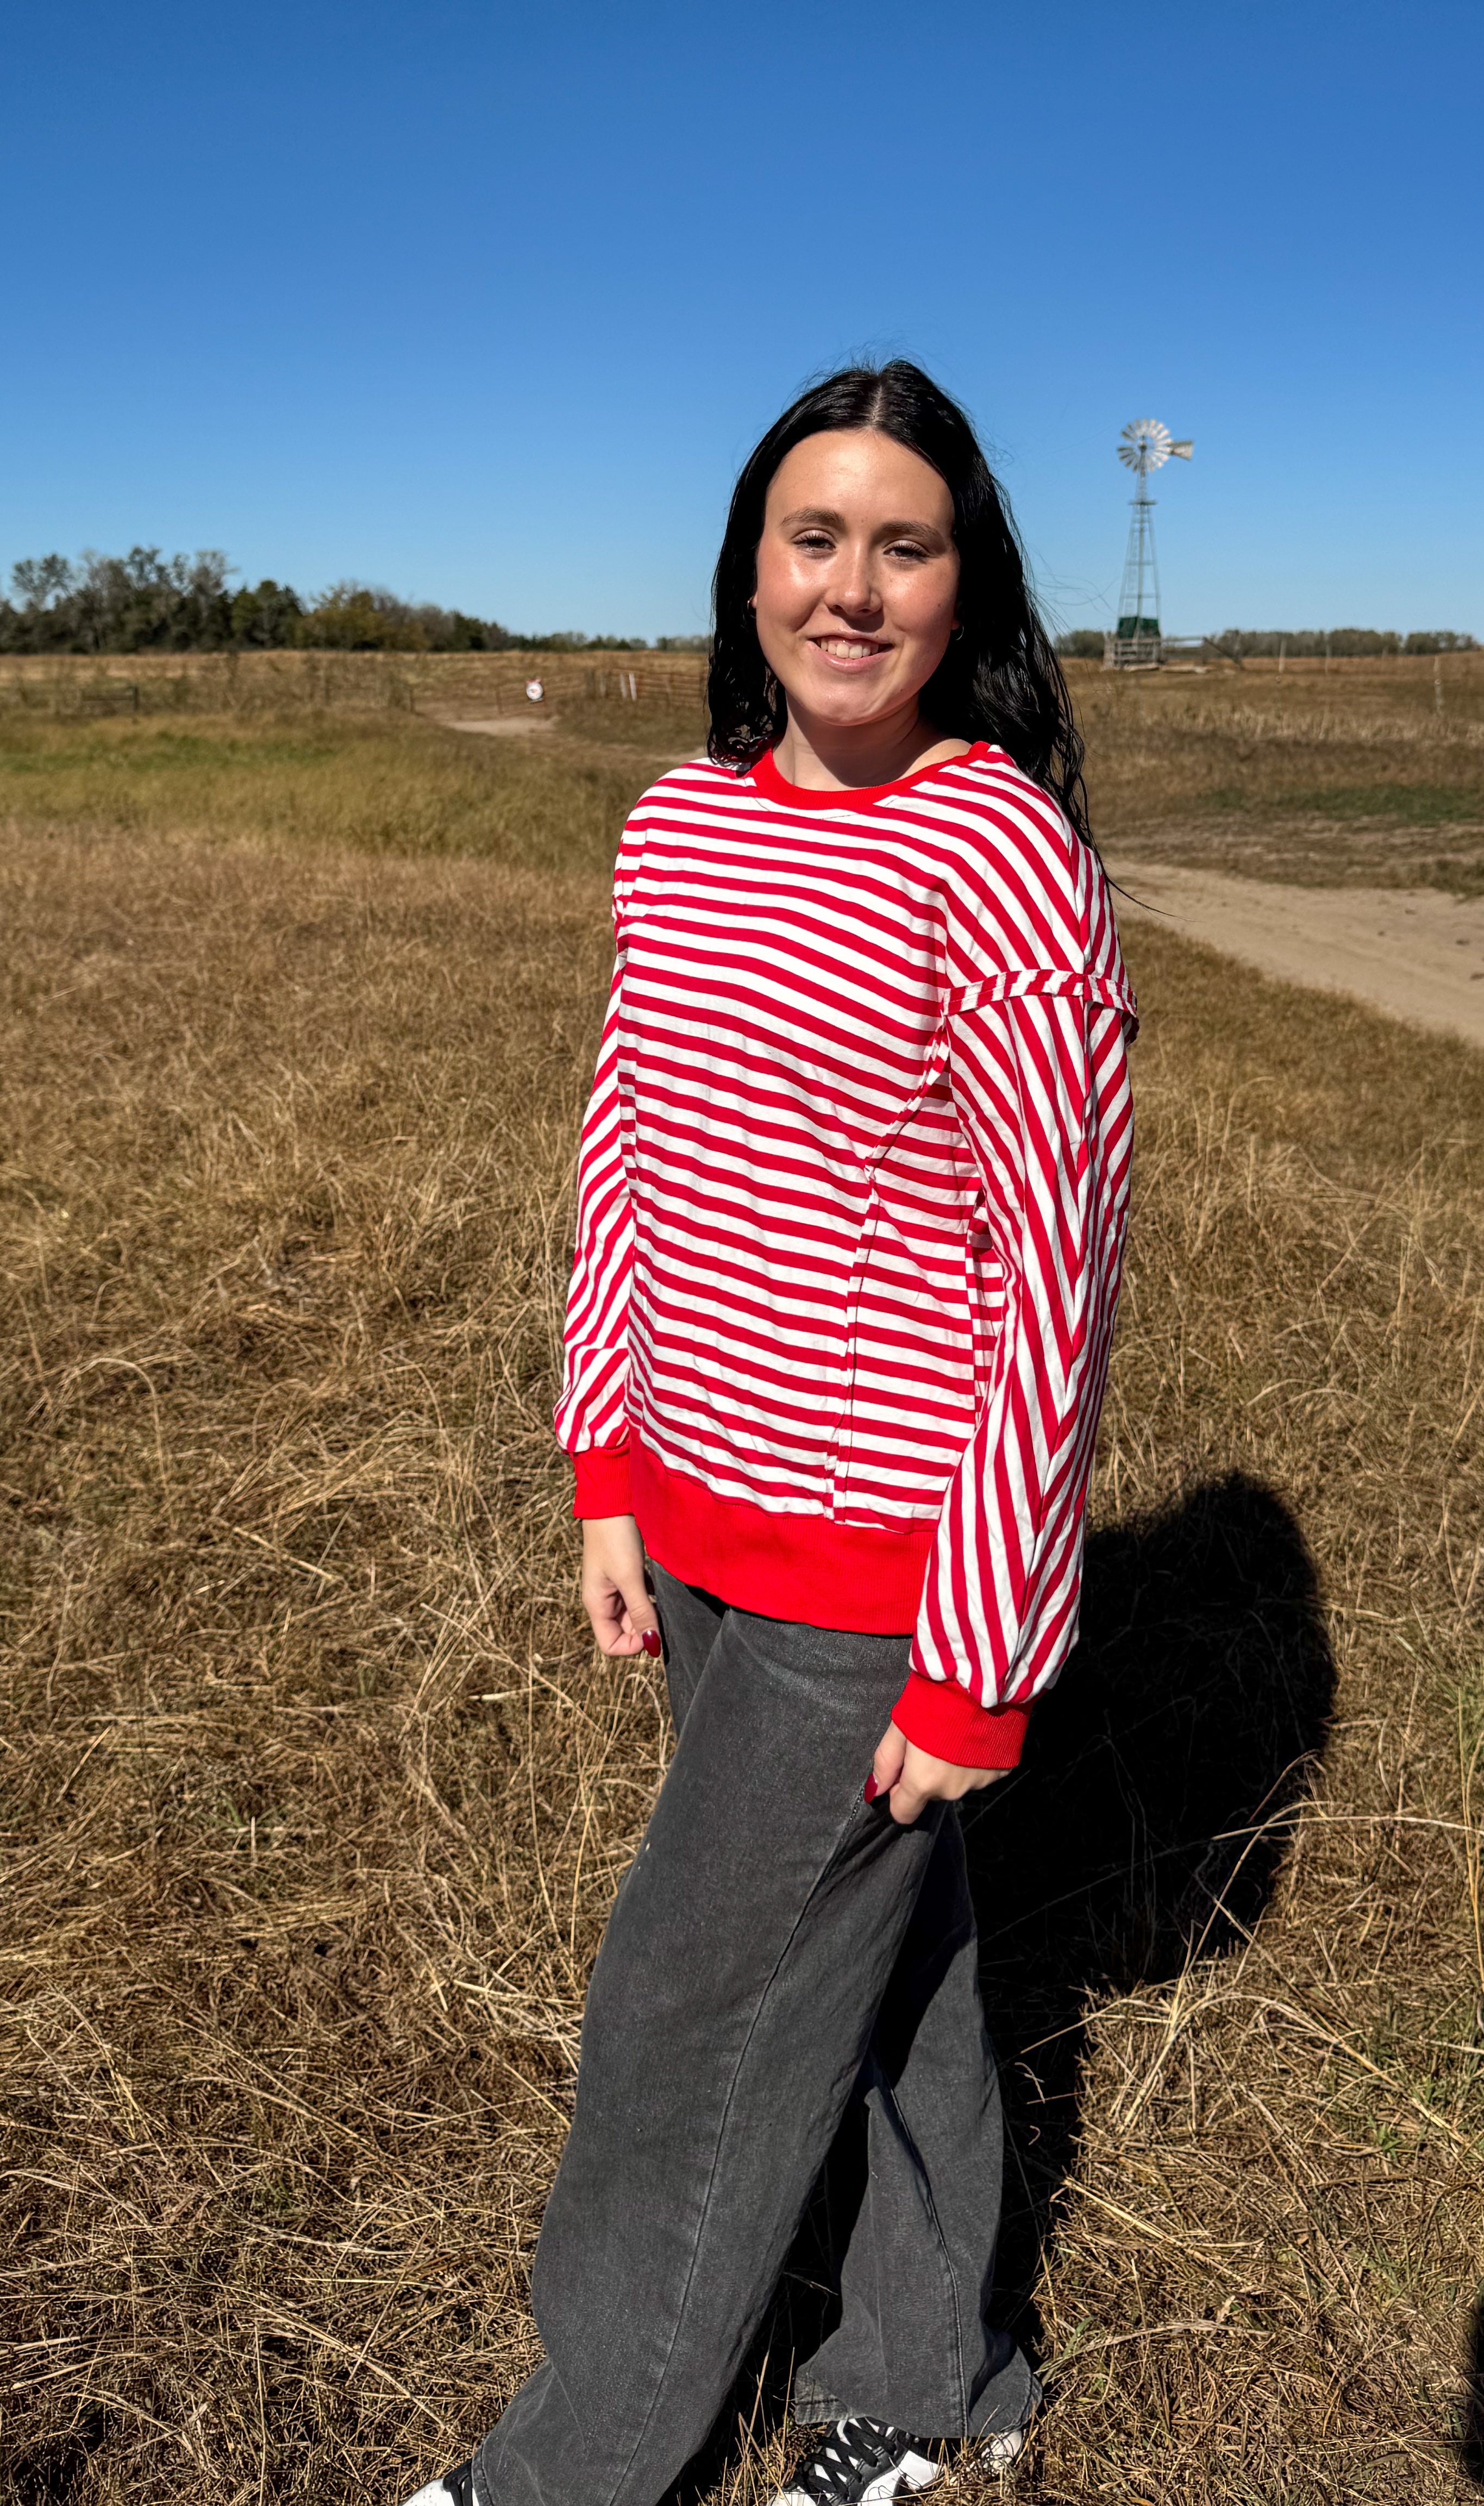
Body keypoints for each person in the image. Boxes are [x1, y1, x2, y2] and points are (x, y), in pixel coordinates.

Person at [403, 361, 1136, 2506]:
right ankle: (929, 2375)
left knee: (677, 2026)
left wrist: (980, 1654)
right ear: (748, 565)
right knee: (886, 1968)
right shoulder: (675, 815)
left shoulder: (995, 851)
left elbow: (1050, 1273)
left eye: (901, 543)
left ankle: (572, 2468)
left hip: (875, 1570)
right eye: (811, 536)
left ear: (961, 581)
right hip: (703, 1526)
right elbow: (628, 1141)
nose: (850, 584)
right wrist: (607, 1469)